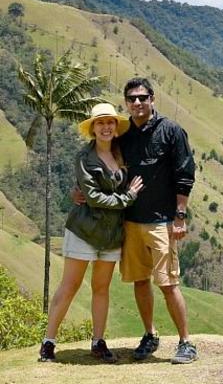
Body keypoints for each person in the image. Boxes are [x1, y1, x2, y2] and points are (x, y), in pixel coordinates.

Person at [76, 77, 198, 364]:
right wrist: (79, 189)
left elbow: (185, 174)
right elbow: (101, 159)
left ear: (152, 99)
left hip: (162, 221)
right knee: (140, 281)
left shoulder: (171, 131)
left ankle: (186, 342)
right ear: (126, 103)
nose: (138, 103)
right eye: (132, 99)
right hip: (130, 221)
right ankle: (149, 334)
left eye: (143, 97)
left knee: (168, 283)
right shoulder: (124, 135)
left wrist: (180, 216)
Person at [39, 103, 144, 363]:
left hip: (110, 235)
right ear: (93, 129)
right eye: (100, 123)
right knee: (70, 285)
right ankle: (48, 343)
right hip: (84, 230)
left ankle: (98, 342)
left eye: (110, 122)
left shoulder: (123, 154)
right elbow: (94, 198)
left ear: (115, 127)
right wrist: (127, 197)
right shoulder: (84, 158)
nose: (106, 127)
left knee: (101, 288)